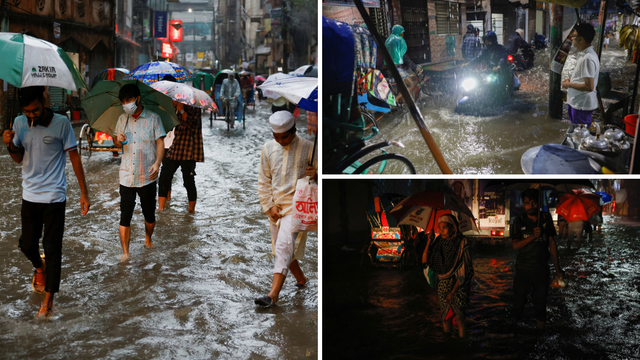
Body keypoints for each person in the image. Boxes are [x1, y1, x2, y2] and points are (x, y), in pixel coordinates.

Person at [2, 86, 90, 317]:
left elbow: (74, 158)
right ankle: (39, 268)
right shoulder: (19, 123)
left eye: (36, 110)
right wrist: (9, 143)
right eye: (27, 111)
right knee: (27, 245)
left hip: (54, 195)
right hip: (29, 195)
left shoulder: (61, 123)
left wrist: (84, 192)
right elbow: (18, 159)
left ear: (43, 101)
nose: (32, 115)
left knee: (52, 248)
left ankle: (49, 299)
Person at [255, 111, 317, 307]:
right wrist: (269, 206)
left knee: (283, 246)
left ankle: (272, 295)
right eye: (277, 137)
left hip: (297, 208)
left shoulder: (310, 148)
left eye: (285, 137)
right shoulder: (268, 148)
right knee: (283, 250)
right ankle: (301, 279)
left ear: (294, 131)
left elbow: (321, 181)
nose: (281, 140)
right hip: (276, 208)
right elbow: (264, 180)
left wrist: (316, 174)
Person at [113, 84, 166, 261]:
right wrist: (118, 140)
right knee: (125, 216)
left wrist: (158, 163)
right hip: (127, 175)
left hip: (147, 176)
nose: (125, 104)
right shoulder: (122, 119)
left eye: (128, 100)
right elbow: (116, 144)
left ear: (138, 98)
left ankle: (148, 239)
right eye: (123, 102)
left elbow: (160, 142)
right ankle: (125, 253)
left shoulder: (153, 119)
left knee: (149, 215)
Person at [510, 189, 563, 331]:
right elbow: (515, 245)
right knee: (518, 302)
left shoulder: (545, 218)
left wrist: (558, 269)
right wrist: (532, 236)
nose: (530, 205)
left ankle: (540, 335)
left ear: (538, 203)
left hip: (541, 269)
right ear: (523, 204)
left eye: (533, 202)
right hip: (523, 269)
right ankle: (512, 331)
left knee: (540, 303)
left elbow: (552, 243)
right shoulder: (518, 221)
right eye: (527, 203)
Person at [158, 75, 204, 214]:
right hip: (175, 148)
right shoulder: (173, 108)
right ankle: (160, 208)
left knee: (188, 181)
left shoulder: (194, 107)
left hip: (189, 150)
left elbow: (192, 125)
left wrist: (182, 109)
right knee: (164, 177)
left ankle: (191, 211)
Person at [422, 214, 473, 338]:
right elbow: (424, 262)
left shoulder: (462, 242)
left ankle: (462, 347)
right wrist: (429, 241)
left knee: (460, 318)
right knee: (445, 318)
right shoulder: (438, 242)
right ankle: (448, 346)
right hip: (443, 286)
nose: (441, 230)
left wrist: (453, 292)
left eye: (444, 227)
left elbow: (465, 271)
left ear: (453, 228)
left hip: (459, 286)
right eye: (440, 227)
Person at [562, 23, 599, 128]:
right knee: (577, 131)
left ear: (581, 40)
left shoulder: (587, 58)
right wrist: (570, 79)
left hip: (581, 104)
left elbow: (589, 86)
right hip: (577, 102)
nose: (572, 39)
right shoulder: (585, 54)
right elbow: (582, 76)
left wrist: (569, 84)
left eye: (574, 36)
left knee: (580, 134)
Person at [464, 31, 513, 97]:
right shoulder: (485, 50)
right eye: (486, 41)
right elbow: (479, 58)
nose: (487, 43)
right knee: (480, 82)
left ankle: (503, 97)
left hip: (500, 71)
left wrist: (498, 66)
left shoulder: (501, 48)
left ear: (493, 40)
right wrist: (468, 63)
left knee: (501, 85)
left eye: (488, 41)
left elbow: (503, 59)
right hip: (489, 71)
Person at [384, 24, 424, 103]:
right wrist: (414, 67)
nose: (403, 34)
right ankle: (394, 100)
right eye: (402, 32)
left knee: (401, 86)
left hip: (388, 68)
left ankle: (400, 104)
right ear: (399, 32)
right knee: (410, 85)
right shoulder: (398, 40)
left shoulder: (388, 40)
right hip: (397, 69)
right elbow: (404, 56)